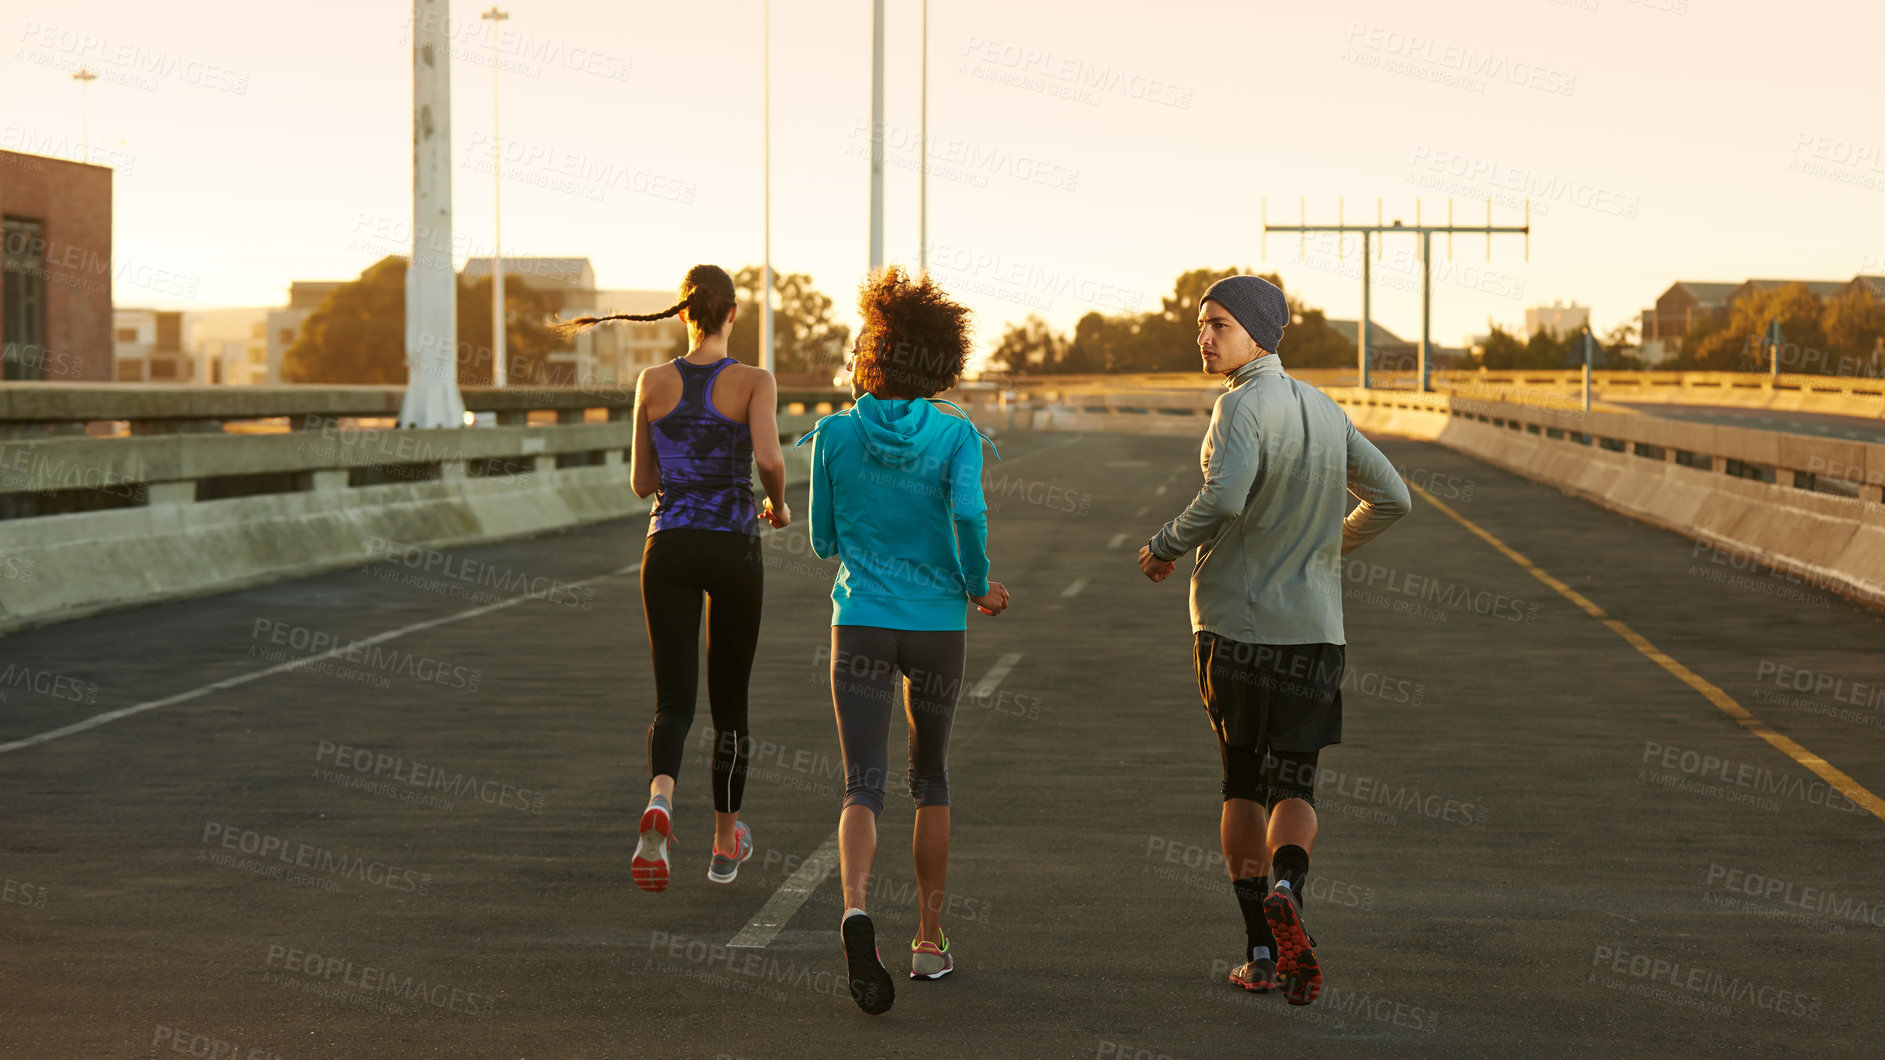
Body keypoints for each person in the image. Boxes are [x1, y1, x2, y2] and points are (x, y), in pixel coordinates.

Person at [1137, 274, 1410, 1006]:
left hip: (1235, 627)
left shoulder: (1239, 407)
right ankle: (1288, 884)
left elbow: (1223, 497)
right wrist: (1329, 548)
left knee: (1239, 780)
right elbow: (1393, 497)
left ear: (1258, 332)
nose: (1203, 336)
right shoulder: (1324, 410)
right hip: (1315, 632)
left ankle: (1259, 949)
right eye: (1200, 325)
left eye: (1219, 324)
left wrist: (1165, 543)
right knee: (1296, 783)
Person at [795, 266, 1007, 1015]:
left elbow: (822, 541)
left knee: (862, 785)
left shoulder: (832, 434)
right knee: (931, 780)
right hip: (937, 625)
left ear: (875, 355)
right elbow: (970, 520)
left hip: (858, 617)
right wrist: (977, 583)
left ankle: (855, 910)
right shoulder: (956, 435)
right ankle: (927, 938)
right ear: (939, 360)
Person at [556, 264, 790, 892]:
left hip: (669, 546)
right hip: (733, 544)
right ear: (732, 314)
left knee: (674, 701)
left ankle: (660, 798)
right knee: (731, 704)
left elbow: (641, 483)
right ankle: (722, 845)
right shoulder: (753, 381)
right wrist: (780, 505)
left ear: (684, 314)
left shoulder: (652, 381)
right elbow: (769, 458)